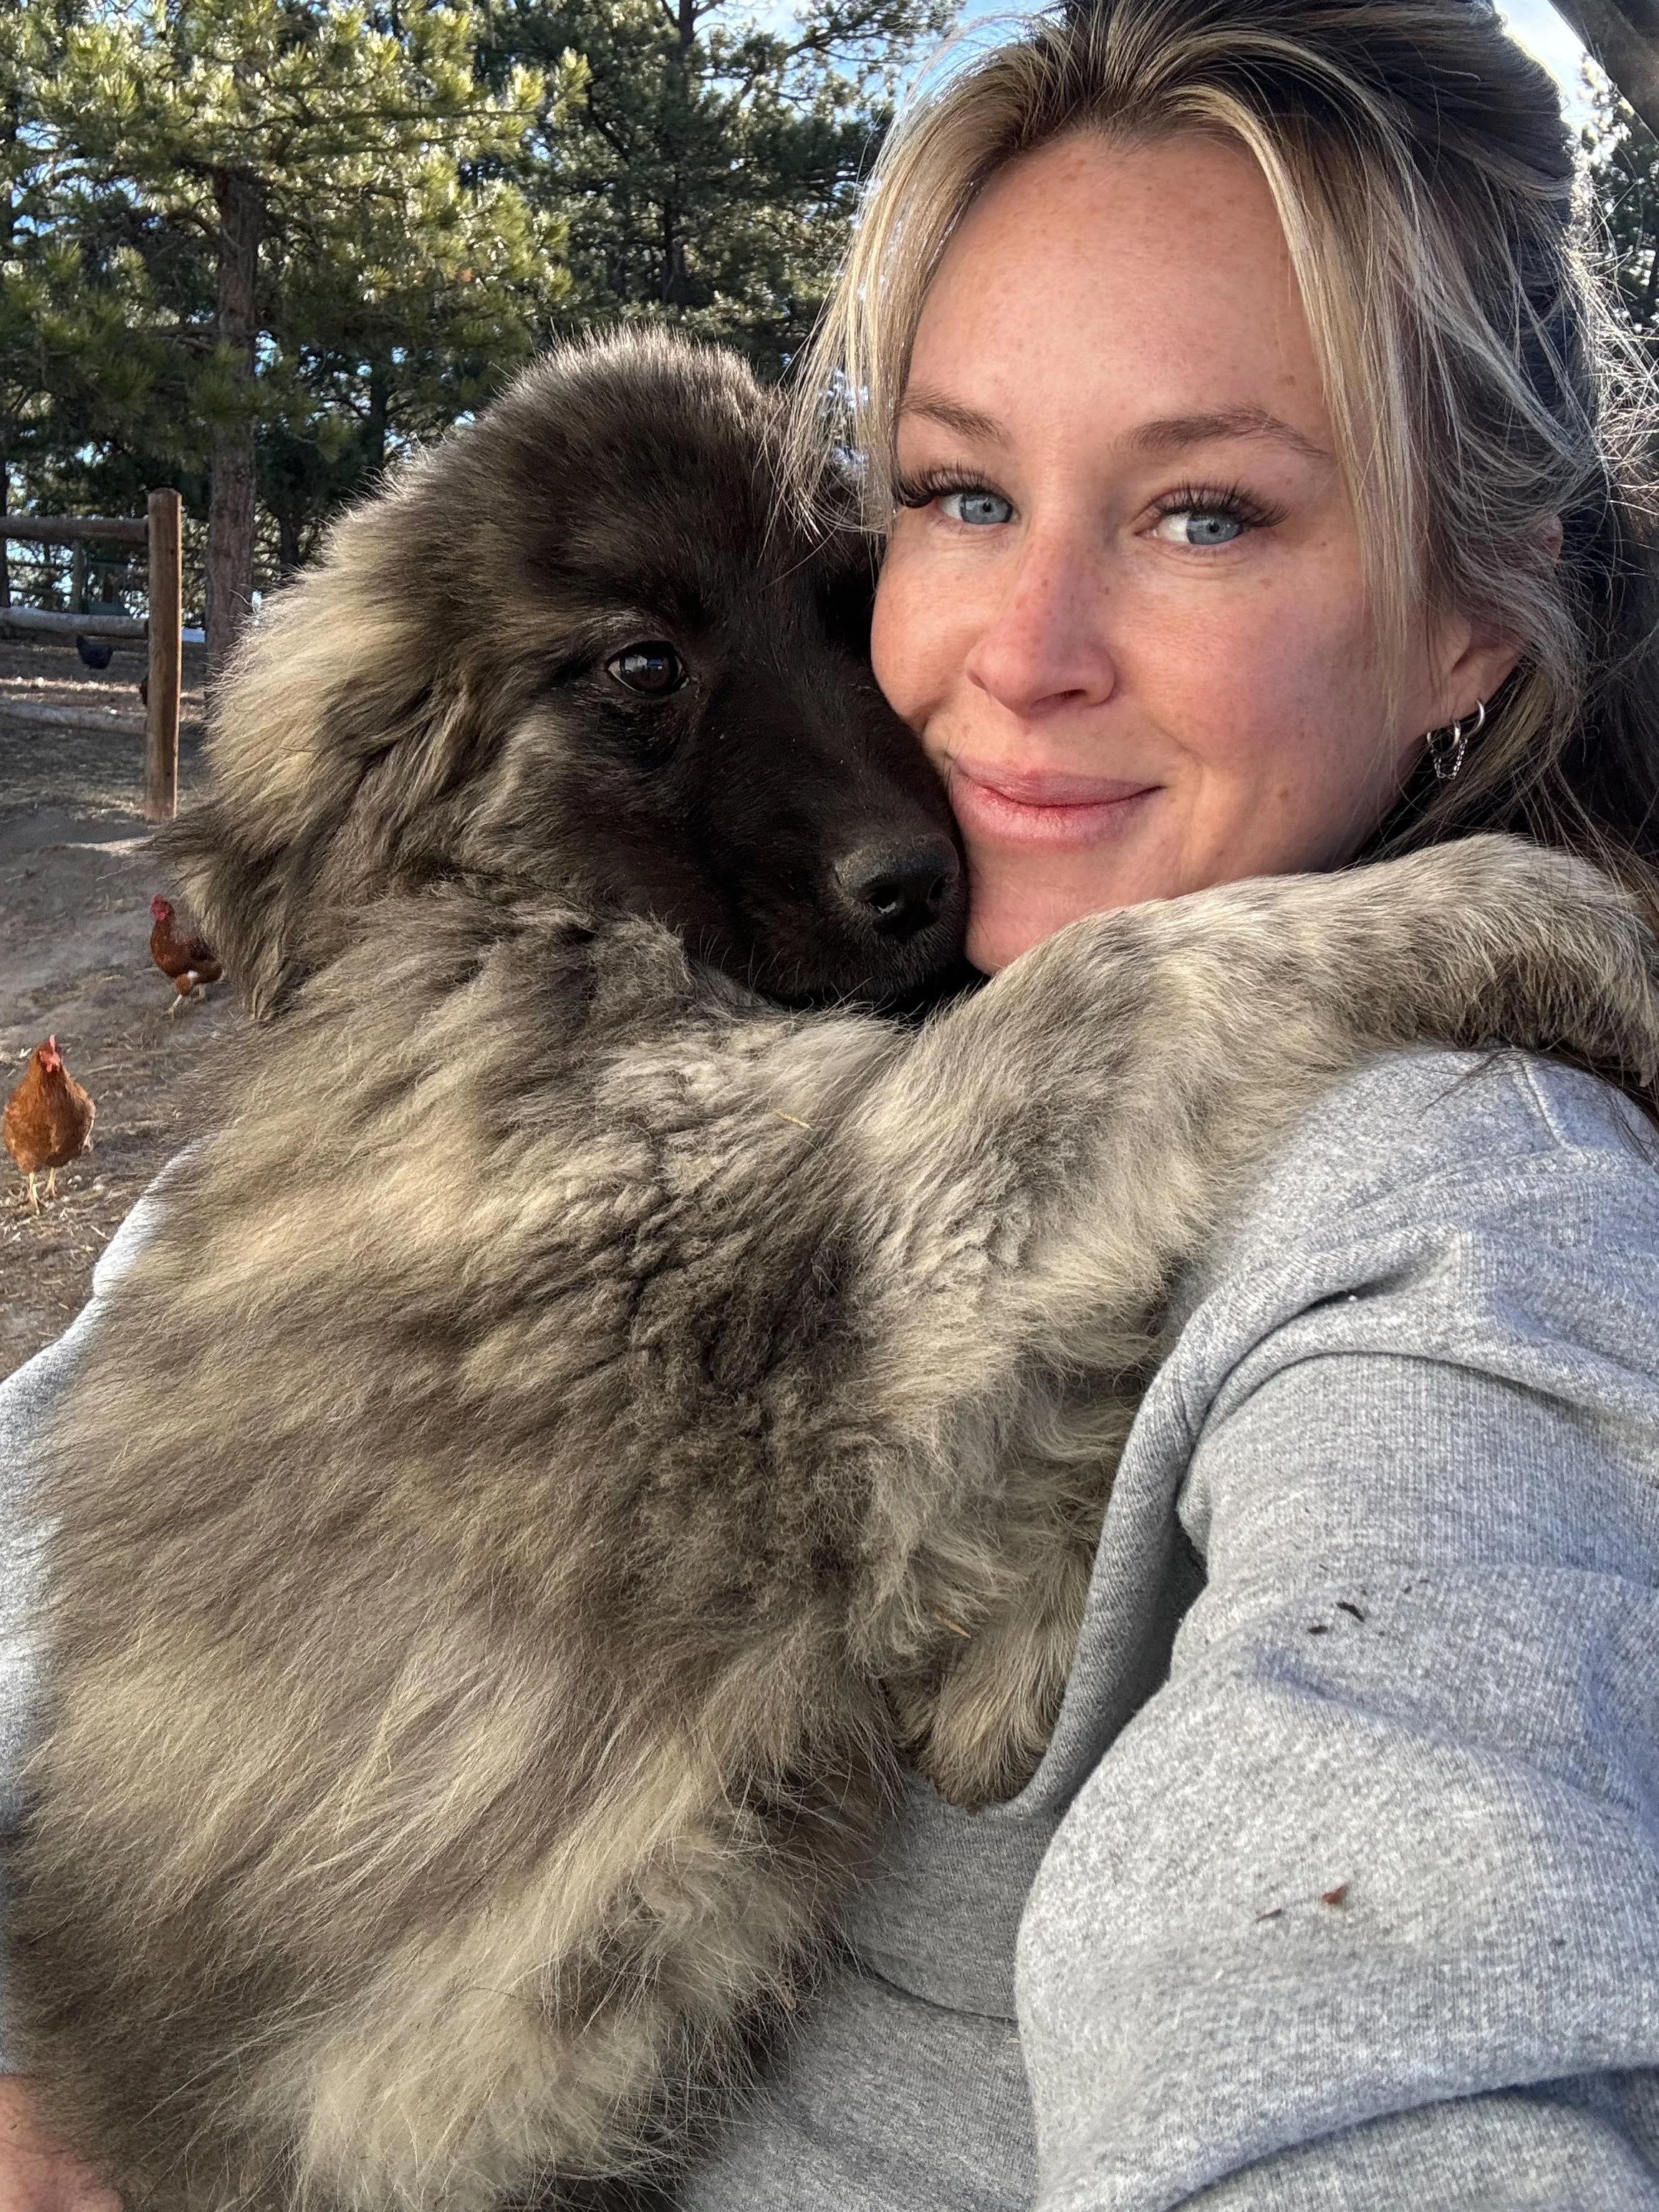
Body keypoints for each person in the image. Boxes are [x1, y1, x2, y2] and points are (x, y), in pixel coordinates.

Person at [3, 0, 1659, 2203]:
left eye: (1200, 511)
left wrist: (1463, 933)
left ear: (1476, 620)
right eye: (958, 493)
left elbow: (1394, 1996)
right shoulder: (528, 1032)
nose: (1014, 646)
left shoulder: (1467, 1209)